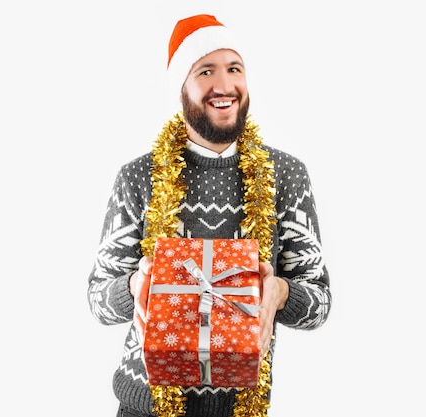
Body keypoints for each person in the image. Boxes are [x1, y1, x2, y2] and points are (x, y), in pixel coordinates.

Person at [88, 14, 332, 417]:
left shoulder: (286, 176)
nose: (225, 85)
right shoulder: (139, 176)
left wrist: (280, 293)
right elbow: (97, 300)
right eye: (206, 70)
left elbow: (320, 303)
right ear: (181, 87)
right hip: (145, 406)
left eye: (234, 68)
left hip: (242, 406)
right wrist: (135, 285)